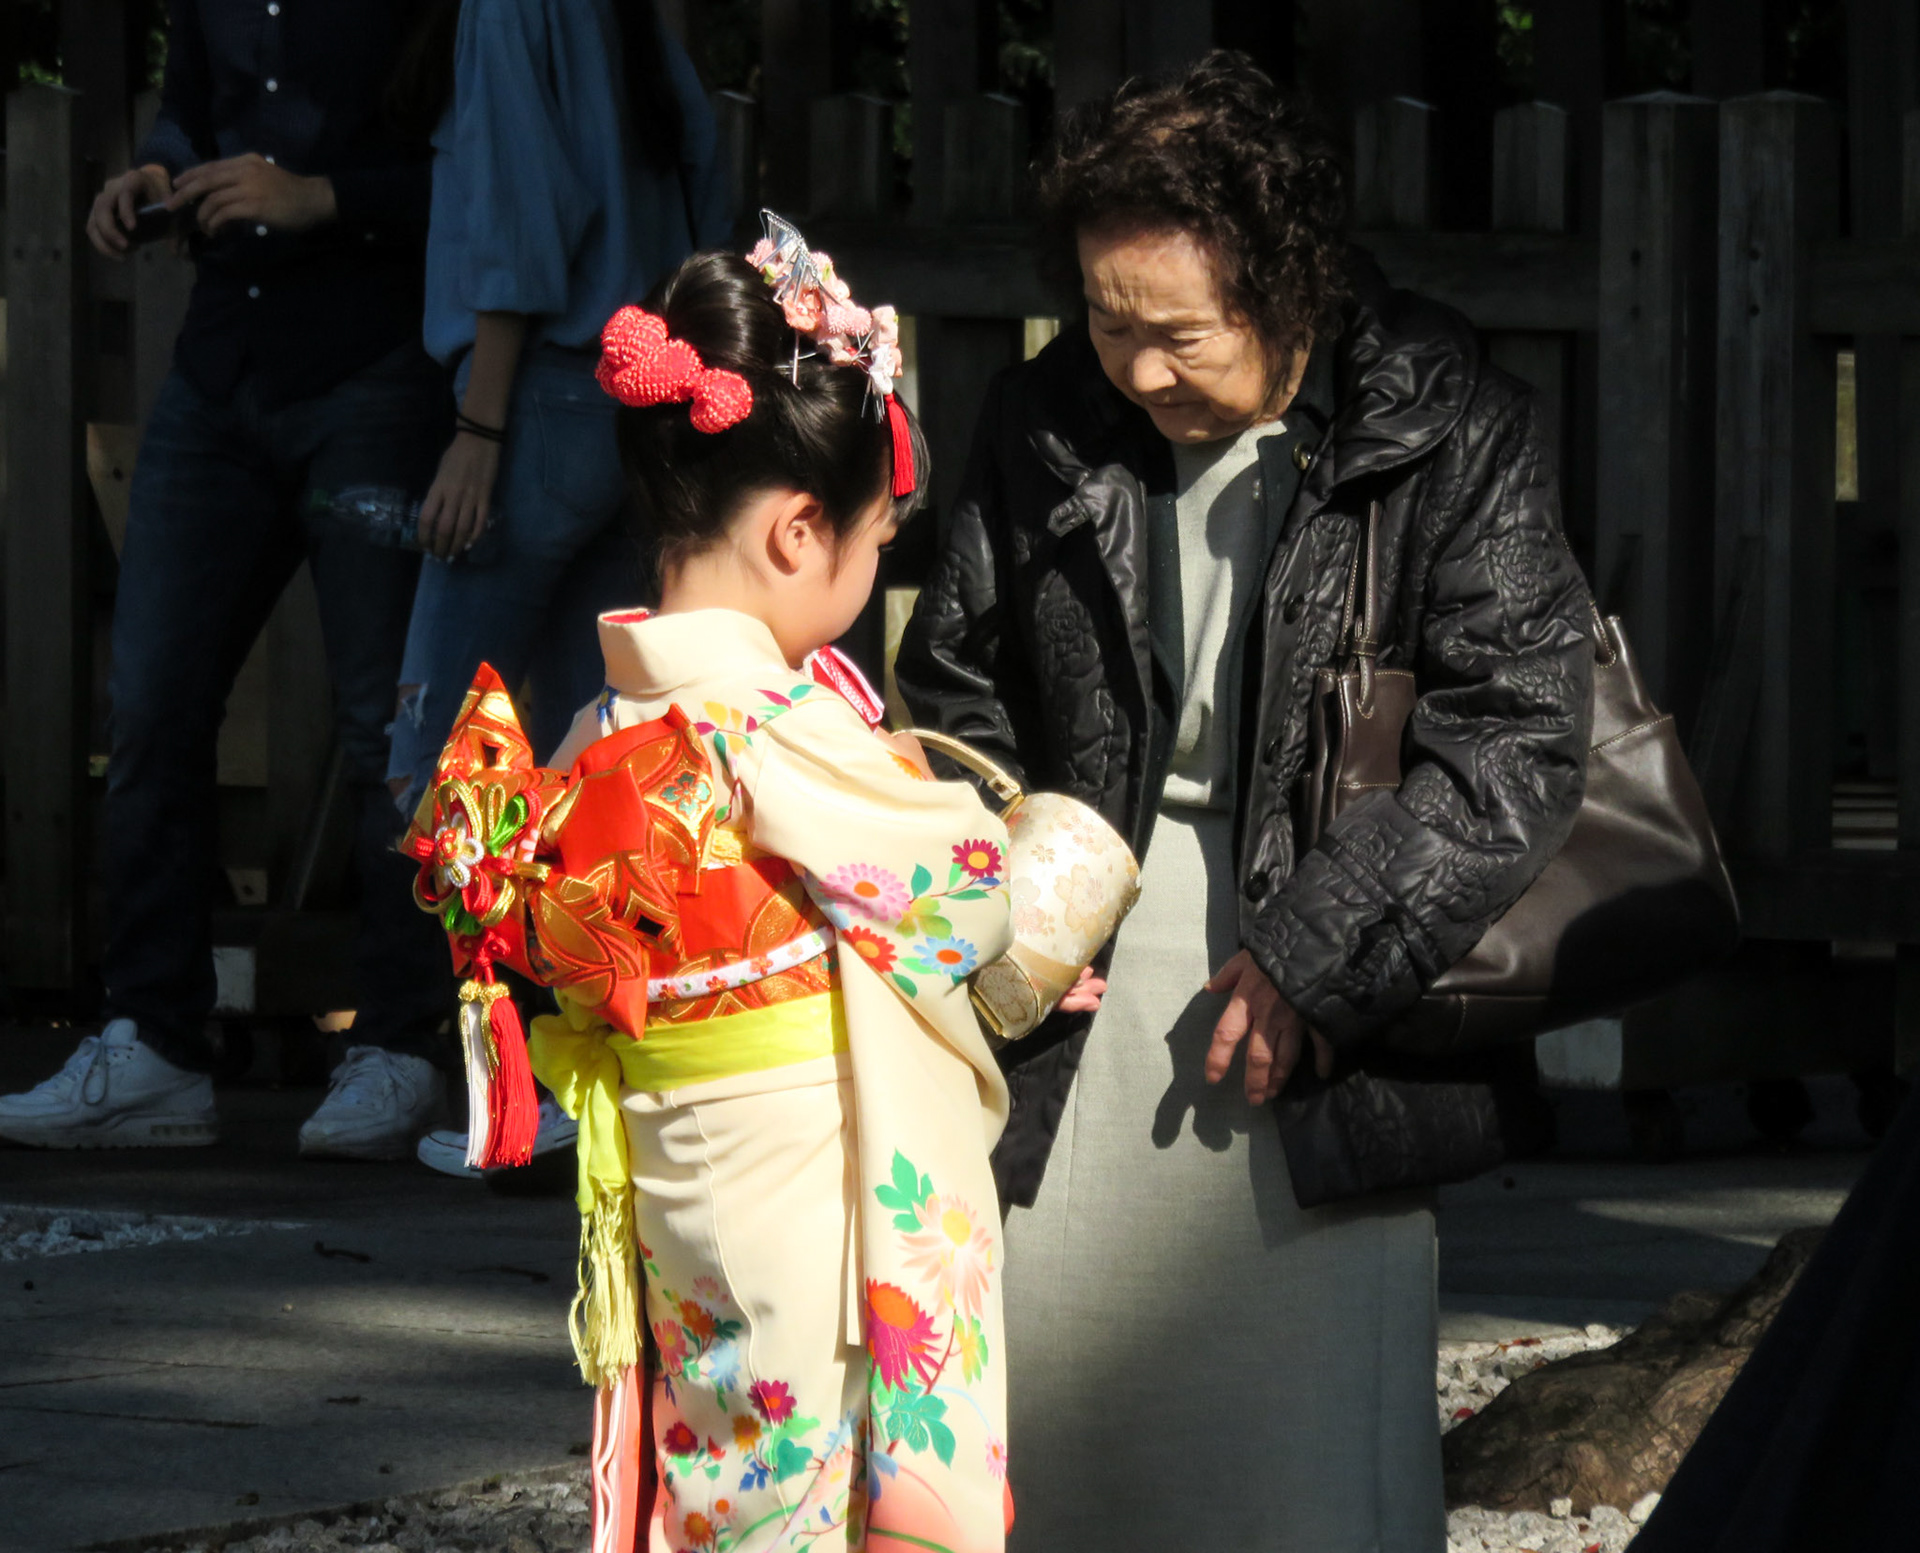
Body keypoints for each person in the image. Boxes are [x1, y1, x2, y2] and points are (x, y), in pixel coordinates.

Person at [896, 52, 1596, 1551]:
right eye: (1108, 320)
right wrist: (1011, 902)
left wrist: (1317, 954)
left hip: (1335, 977)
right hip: (1077, 970)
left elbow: (1518, 734)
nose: (1138, 369)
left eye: (1179, 332)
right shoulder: (1042, 418)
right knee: (1055, 1411)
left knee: (1304, 1460)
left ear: (1290, 288)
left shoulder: (1447, 421)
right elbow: (955, 687)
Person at [404, 236, 1018, 1552]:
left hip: (681, 1184)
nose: (875, 564)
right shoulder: (769, 727)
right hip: (804, 1199)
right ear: (799, 531)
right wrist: (960, 810)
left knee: (723, 1479)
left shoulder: (603, 718)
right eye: (877, 537)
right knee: (810, 1498)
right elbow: (962, 892)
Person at [0, 0, 459, 1159]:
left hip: (373, 369)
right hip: (219, 372)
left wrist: (322, 197)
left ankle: (400, 1043)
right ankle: (154, 1040)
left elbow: (482, 176)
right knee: (151, 703)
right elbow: (190, 109)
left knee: (388, 727)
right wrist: (155, 174)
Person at [384, 0, 725, 1179]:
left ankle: (517, 1093)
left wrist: (479, 425)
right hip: (635, 401)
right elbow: (701, 175)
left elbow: (519, 227)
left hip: (532, 404)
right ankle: (619, 1073)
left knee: (445, 768)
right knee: (610, 759)